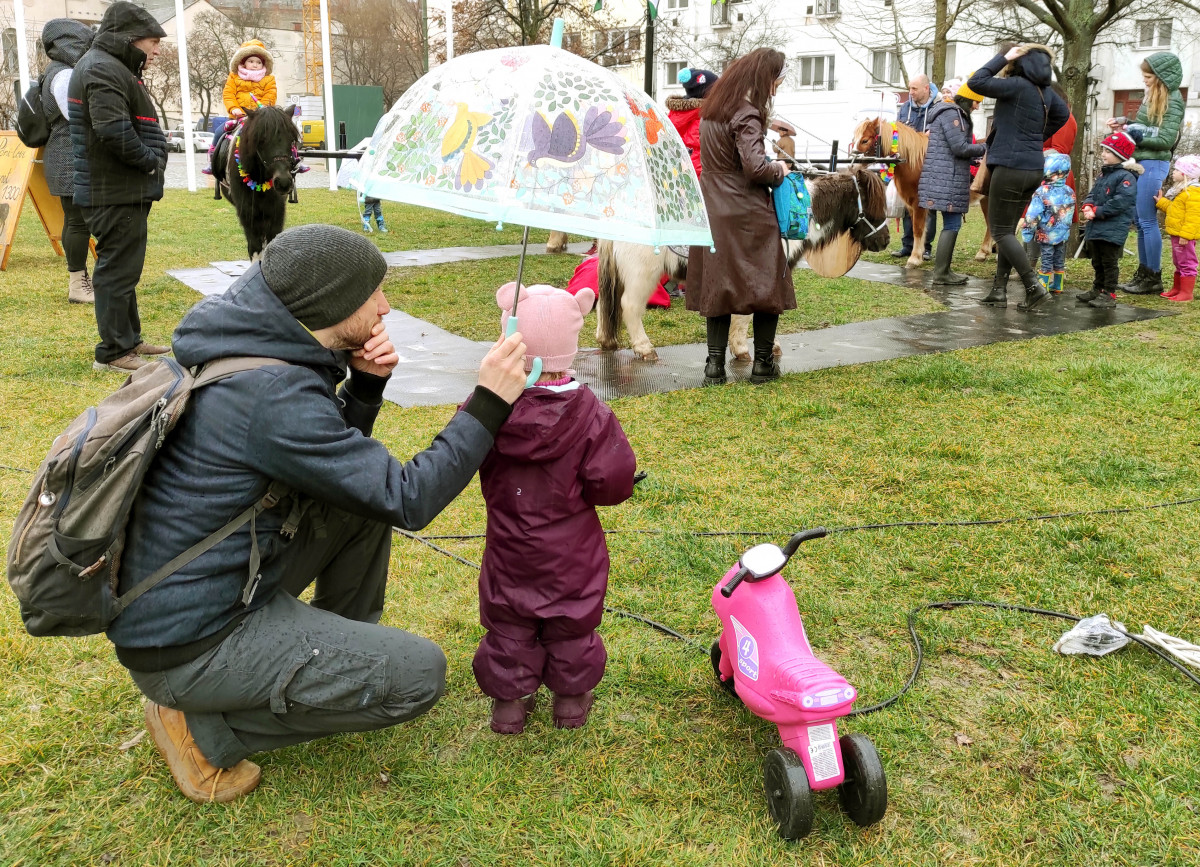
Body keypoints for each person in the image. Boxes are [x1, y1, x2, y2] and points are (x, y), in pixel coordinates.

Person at [110, 224, 528, 804]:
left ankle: (333, 666)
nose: (385, 306)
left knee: (360, 507)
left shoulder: (253, 342)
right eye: (373, 294)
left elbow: (332, 475)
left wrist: (363, 389)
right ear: (330, 304)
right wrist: (489, 401)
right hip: (187, 643)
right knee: (419, 678)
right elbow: (409, 498)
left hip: (199, 592)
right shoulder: (271, 393)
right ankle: (204, 731)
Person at [474, 283, 636, 735]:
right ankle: (570, 700)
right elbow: (613, 481)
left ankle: (508, 705)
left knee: (509, 620)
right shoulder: (591, 413)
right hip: (574, 552)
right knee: (572, 624)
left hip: (509, 545)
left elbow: (463, 451)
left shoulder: (488, 406)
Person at [68, 1, 171, 372]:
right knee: (116, 271)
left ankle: (130, 341)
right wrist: (150, 161)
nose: (157, 50)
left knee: (123, 268)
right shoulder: (102, 68)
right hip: (112, 191)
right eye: (153, 42)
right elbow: (112, 130)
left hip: (117, 189)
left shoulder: (109, 65)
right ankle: (113, 353)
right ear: (130, 39)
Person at [687, 47, 794, 386]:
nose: (776, 87)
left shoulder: (711, 110)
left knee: (718, 286)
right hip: (747, 212)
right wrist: (779, 169)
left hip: (714, 209)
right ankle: (763, 365)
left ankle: (714, 368)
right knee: (767, 283)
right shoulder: (747, 113)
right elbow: (755, 168)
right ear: (765, 78)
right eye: (776, 80)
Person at [968, 44, 1069, 311]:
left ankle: (1034, 288)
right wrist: (1034, 136)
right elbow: (1064, 115)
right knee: (1008, 231)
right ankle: (999, 290)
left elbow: (976, 82)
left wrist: (1003, 57)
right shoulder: (1046, 93)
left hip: (1010, 168)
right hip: (1033, 168)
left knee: (1000, 231)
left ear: (1019, 64)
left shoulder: (1016, 85)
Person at [1106, 52, 1185, 296]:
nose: (1145, 80)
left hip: (1154, 163)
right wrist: (1126, 123)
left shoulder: (1173, 102)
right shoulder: (1153, 97)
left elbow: (1164, 139)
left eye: (1148, 76)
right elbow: (1149, 126)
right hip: (1142, 161)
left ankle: (1153, 277)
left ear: (1162, 77)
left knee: (1147, 221)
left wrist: (1132, 137)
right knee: (1140, 222)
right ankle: (1144, 273)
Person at [39, 18, 95, 305]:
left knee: (84, 220)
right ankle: (77, 283)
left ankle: (91, 280)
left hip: (72, 155)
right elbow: (77, 115)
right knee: (77, 222)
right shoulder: (62, 74)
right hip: (67, 156)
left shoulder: (66, 71)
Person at [916, 82, 986, 285]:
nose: (977, 107)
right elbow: (959, 147)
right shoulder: (953, 115)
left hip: (945, 176)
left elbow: (949, 150)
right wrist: (985, 147)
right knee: (952, 224)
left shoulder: (950, 113)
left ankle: (943, 272)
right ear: (967, 99)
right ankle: (942, 273)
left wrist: (974, 159)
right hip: (947, 179)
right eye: (976, 102)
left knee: (951, 224)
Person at [1077, 132, 1141, 309]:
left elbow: (1121, 202)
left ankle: (1109, 293)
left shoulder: (1126, 177)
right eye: (1103, 150)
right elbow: (1094, 192)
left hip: (1112, 228)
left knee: (1109, 262)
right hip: (1097, 226)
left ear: (1120, 155)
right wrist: (1088, 205)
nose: (1103, 154)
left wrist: (1097, 211)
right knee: (1096, 260)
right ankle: (1097, 288)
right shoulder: (1104, 174)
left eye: (1108, 151)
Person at [891, 73, 941, 261]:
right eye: (909, 88)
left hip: (929, 161)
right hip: (908, 163)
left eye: (914, 89)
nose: (910, 92)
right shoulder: (905, 108)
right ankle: (908, 244)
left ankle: (925, 246)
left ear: (926, 89)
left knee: (928, 205)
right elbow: (898, 131)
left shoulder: (938, 107)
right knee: (908, 205)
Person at [1020, 150, 1075, 294]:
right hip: (1063, 233)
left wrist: (1027, 231)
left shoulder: (1042, 191)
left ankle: (1042, 286)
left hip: (1046, 234)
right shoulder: (1069, 191)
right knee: (1059, 260)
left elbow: (1033, 214)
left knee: (1046, 258)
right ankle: (1058, 285)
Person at [1155, 154, 1200, 302]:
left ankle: (1186, 293)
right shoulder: (1182, 192)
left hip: (1184, 236)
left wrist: (1186, 235)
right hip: (1177, 234)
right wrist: (1161, 202)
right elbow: (1175, 210)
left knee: (1187, 262)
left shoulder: (1192, 193)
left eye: (1176, 170)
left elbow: (1194, 217)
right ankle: (1177, 288)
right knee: (1179, 261)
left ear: (1185, 174)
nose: (1173, 172)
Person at [669, 67, 718, 178]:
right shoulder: (704, 117)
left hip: (678, 176)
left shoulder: (673, 115)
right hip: (700, 179)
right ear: (707, 93)